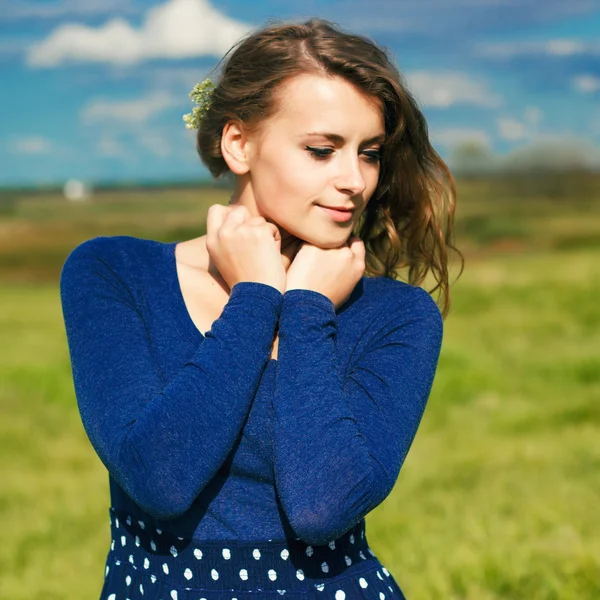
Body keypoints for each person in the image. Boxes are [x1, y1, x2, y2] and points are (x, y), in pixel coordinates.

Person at [59, 17, 462, 600]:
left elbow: (323, 506)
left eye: (369, 153)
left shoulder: (398, 316)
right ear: (238, 144)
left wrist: (303, 309)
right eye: (321, 150)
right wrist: (256, 299)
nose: (354, 180)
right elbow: (158, 478)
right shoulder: (115, 274)